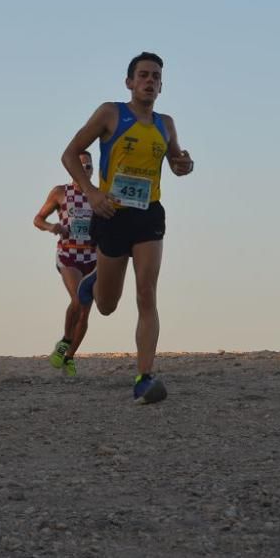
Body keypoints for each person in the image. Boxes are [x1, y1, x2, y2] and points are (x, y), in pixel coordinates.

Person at [61, 52, 194, 404]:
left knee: (147, 293)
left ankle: (144, 377)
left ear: (162, 85)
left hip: (148, 214)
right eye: (143, 75)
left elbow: (177, 160)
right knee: (106, 305)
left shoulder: (166, 124)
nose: (149, 81)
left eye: (156, 77)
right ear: (129, 82)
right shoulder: (110, 113)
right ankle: (94, 284)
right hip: (111, 215)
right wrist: (91, 193)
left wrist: (184, 164)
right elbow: (70, 154)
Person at [33, 150, 97, 377]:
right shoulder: (61, 193)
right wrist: (52, 227)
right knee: (78, 298)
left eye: (90, 166)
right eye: (82, 166)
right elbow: (38, 219)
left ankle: (69, 356)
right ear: (72, 168)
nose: (86, 170)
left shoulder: (98, 195)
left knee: (86, 311)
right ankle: (65, 341)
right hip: (68, 254)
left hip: (93, 257)